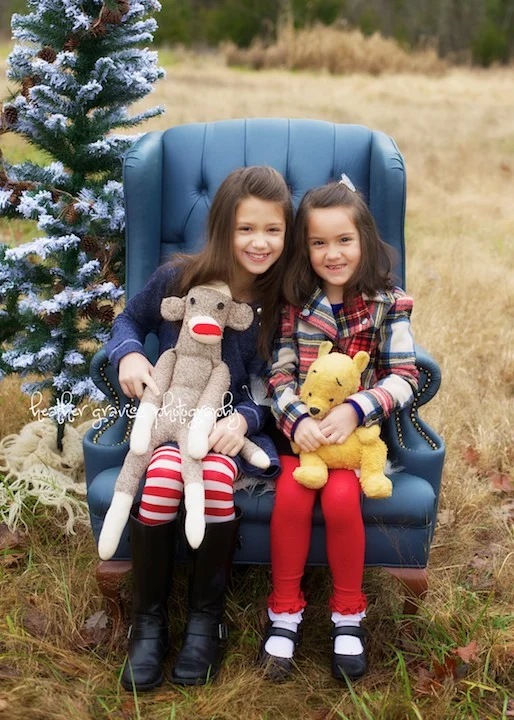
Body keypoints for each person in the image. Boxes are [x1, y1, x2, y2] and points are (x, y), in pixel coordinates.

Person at [105, 166, 294, 690]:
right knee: (167, 472)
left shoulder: (279, 302)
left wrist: (246, 420)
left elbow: (275, 383)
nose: (259, 242)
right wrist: (128, 355)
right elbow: (129, 320)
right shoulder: (178, 279)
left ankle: (205, 624)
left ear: (287, 232)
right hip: (171, 420)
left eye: (273, 230)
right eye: (245, 228)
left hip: (230, 427)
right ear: (222, 228)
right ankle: (148, 624)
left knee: (211, 476)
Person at [262, 175, 419, 681]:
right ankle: (284, 612)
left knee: (341, 500)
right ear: (304, 248)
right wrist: (294, 420)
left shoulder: (388, 302)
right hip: (302, 439)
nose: (333, 253)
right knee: (291, 497)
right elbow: (279, 374)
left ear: (364, 239)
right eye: (319, 243)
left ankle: (348, 614)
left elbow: (404, 375)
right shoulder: (294, 302)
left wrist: (357, 408)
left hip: (356, 444)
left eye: (344, 240)